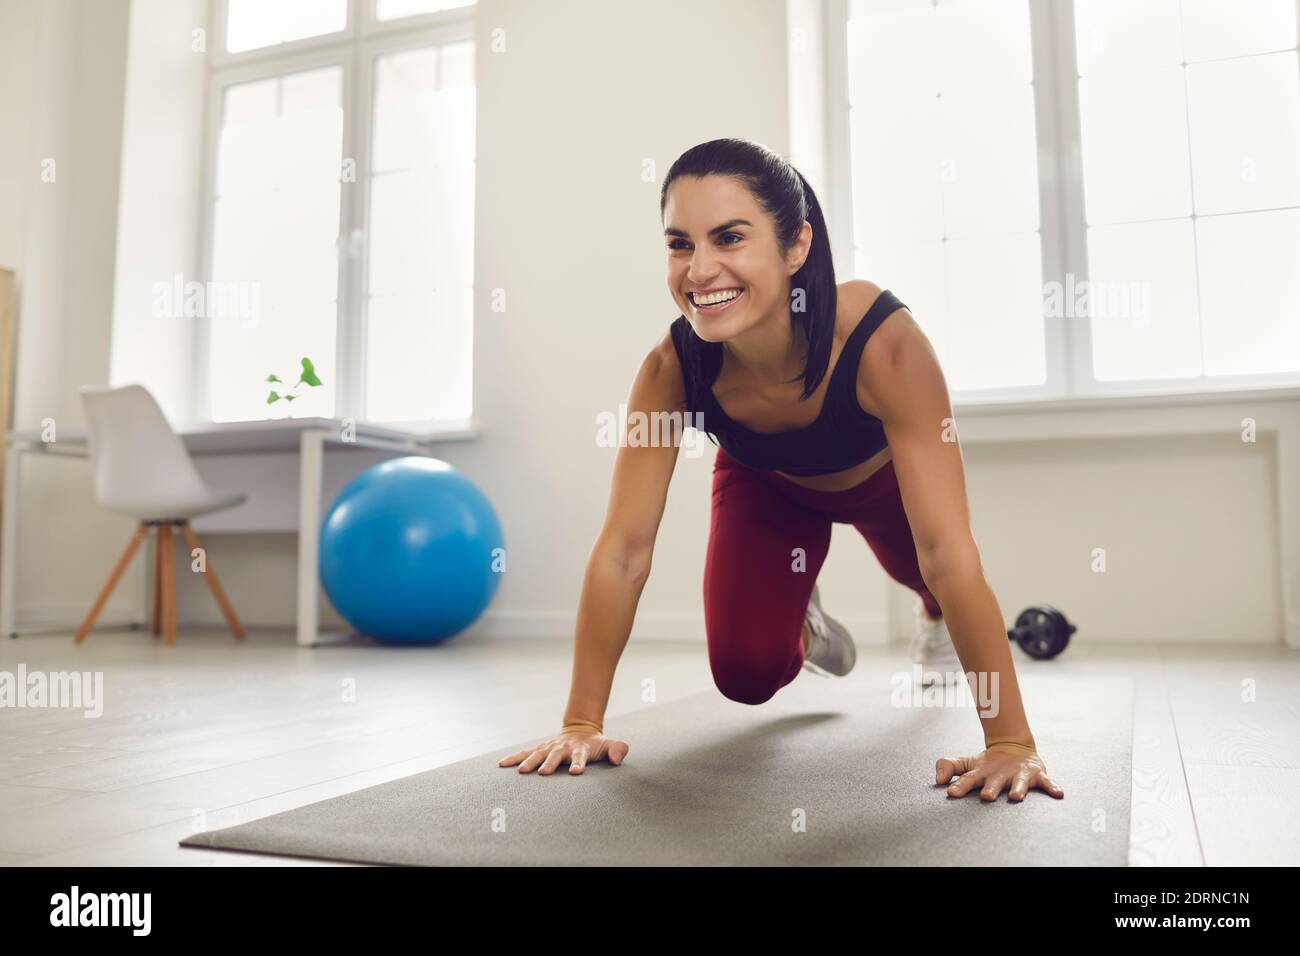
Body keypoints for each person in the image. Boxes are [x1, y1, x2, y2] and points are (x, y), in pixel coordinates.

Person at [499, 138, 1063, 804]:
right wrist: (579, 724)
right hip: (768, 488)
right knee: (744, 675)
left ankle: (929, 619)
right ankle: (804, 618)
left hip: (882, 488)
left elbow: (948, 551)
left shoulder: (884, 341)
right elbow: (624, 550)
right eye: (680, 244)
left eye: (729, 238)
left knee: (932, 574)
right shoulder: (671, 368)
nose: (700, 270)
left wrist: (1010, 743)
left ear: (796, 245)